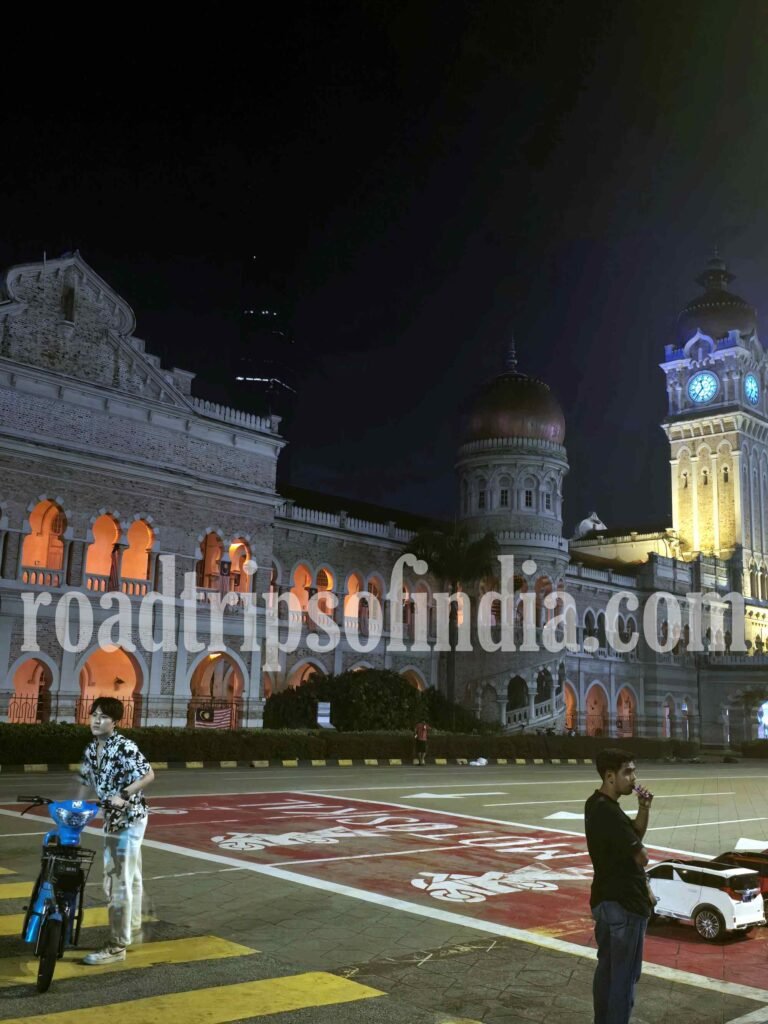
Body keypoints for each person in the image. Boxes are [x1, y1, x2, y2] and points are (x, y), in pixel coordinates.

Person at [76, 696, 155, 965]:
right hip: (112, 820)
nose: (97, 721)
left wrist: (123, 794)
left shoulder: (124, 747)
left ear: (115, 722)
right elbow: (84, 782)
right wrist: (75, 807)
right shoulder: (92, 749)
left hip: (128, 819)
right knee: (131, 877)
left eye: (104, 717)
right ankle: (132, 927)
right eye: (94, 715)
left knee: (116, 881)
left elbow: (148, 775)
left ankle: (117, 946)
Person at [585, 748, 654, 1024]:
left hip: (604, 900)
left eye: (634, 771)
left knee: (607, 972)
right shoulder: (609, 813)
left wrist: (644, 808)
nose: (633, 778)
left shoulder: (595, 804)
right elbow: (641, 855)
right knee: (624, 979)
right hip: (625, 904)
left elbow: (634, 834)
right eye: (628, 772)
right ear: (610, 776)